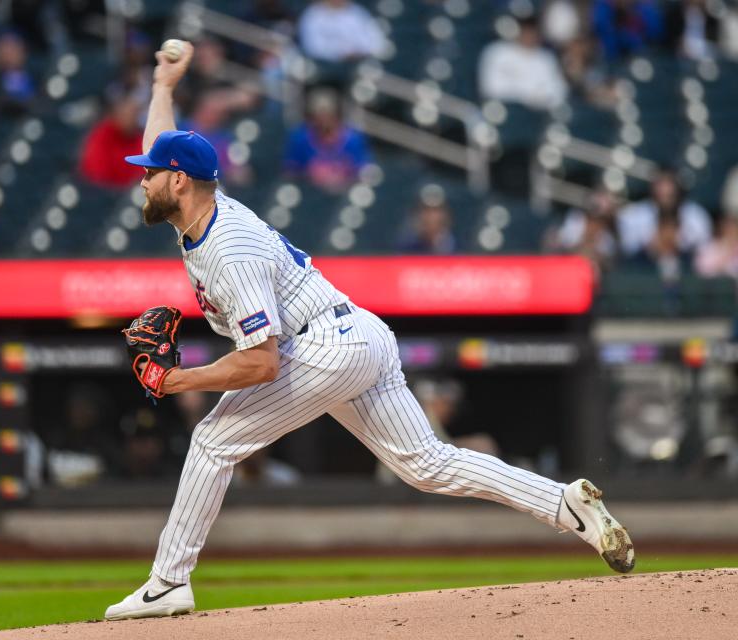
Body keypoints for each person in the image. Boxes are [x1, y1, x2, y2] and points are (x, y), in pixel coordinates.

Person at [103, 42, 636, 621]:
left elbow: (262, 363)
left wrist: (177, 380)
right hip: (358, 333)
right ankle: (564, 504)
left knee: (211, 443)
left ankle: (167, 583)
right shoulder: (204, 207)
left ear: (179, 183)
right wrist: (163, 86)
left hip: (325, 345)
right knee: (427, 465)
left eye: (150, 175)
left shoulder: (230, 251)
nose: (142, 181)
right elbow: (166, 146)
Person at [284, 88, 371, 192]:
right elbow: (290, 171)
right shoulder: (301, 138)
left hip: (344, 193)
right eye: (319, 115)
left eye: (328, 114)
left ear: (336, 115)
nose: (324, 120)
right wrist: (312, 176)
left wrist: (341, 179)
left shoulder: (354, 139)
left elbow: (364, 172)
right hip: (310, 194)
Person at [478, 15, 569, 111]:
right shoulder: (497, 52)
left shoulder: (547, 58)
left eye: (533, 31)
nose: (530, 35)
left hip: (538, 113)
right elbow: (492, 88)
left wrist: (535, 99)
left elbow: (558, 92)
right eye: (526, 30)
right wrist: (528, 97)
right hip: (505, 111)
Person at [617, 168, 711, 257]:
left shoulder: (696, 215)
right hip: (642, 265)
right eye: (661, 191)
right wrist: (652, 243)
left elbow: (704, 250)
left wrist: (679, 243)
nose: (665, 191)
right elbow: (626, 248)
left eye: (670, 195)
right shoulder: (633, 214)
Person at [78, 92, 144, 189]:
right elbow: (97, 173)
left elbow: (142, 174)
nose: (130, 118)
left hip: (127, 195)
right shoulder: (102, 134)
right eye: (125, 113)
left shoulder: (140, 140)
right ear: (116, 113)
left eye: (134, 114)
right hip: (99, 192)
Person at [297, 0, 386, 64]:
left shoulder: (357, 12)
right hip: (325, 69)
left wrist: (358, 52)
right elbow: (312, 47)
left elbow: (376, 42)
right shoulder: (313, 14)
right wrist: (342, 53)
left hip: (359, 65)